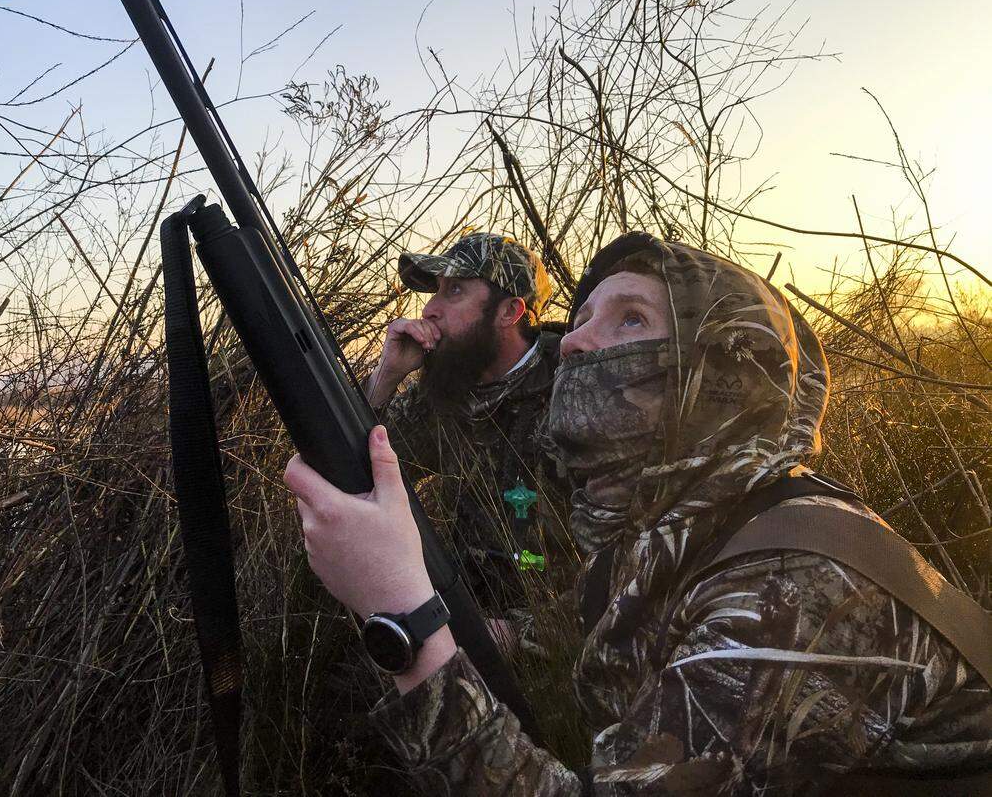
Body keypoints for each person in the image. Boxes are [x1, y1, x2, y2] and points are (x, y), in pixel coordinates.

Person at [285, 232, 992, 794]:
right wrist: (386, 374)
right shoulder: (664, 506)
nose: (580, 343)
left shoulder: (791, 588)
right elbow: (374, 453)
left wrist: (405, 615)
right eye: (586, 317)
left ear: (716, 370)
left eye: (629, 318)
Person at [363, 231, 575, 643]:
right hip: (464, 618)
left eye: (454, 291)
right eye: (435, 292)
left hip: (563, 647)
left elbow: (631, 566)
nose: (430, 309)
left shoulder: (576, 389)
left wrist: (521, 634)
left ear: (510, 311)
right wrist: (387, 375)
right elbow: (367, 467)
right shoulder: (446, 390)